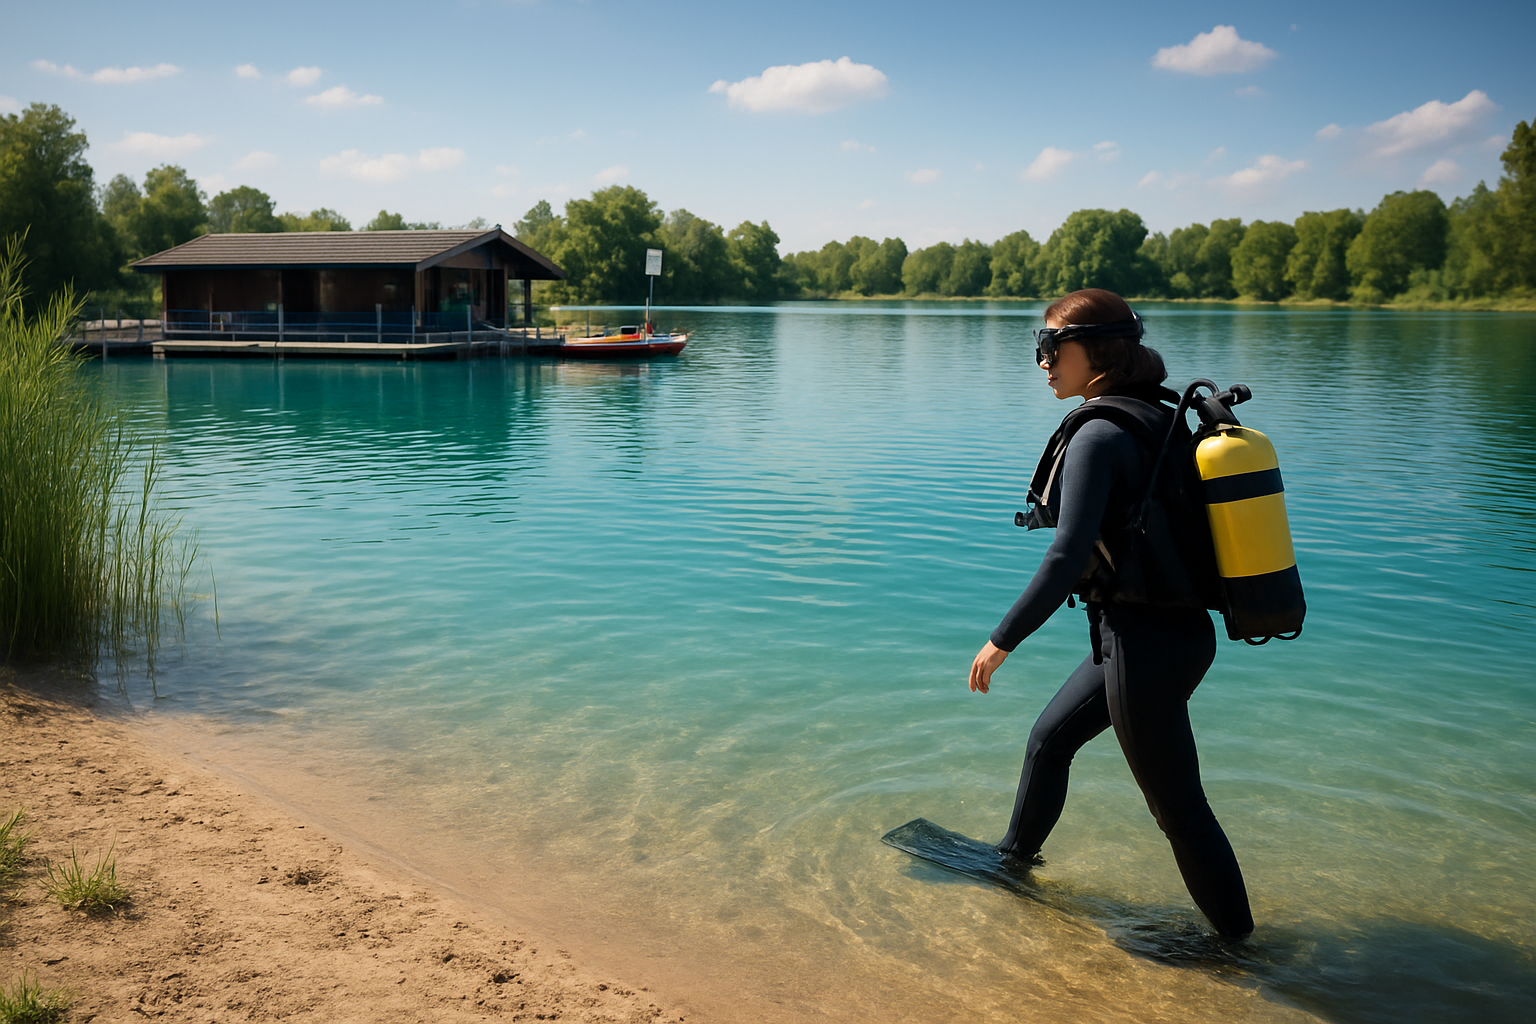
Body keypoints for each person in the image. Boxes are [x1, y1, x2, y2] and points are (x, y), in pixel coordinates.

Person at [968, 287, 1254, 939]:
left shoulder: (1099, 432)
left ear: (1092, 350)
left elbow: (1068, 555)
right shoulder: (1155, 417)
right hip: (1174, 635)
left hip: (1141, 646)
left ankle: (1239, 950)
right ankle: (1013, 864)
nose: (1042, 363)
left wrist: (1001, 640)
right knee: (1050, 739)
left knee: (1179, 810)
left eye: (1048, 347)